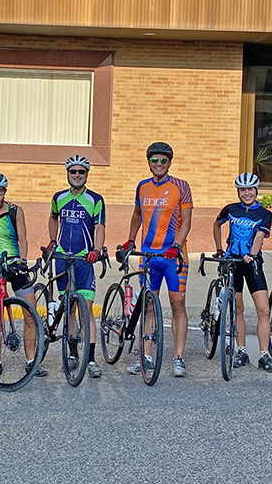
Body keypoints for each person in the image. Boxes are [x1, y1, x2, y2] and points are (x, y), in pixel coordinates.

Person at [122, 142, 192, 377]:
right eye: (154, 160)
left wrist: (175, 245)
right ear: (149, 162)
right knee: (148, 305)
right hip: (148, 255)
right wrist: (130, 240)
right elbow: (136, 215)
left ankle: (179, 357)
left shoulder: (181, 186)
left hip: (174, 256)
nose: (159, 164)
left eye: (163, 160)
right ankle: (146, 355)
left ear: (170, 163)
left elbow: (187, 220)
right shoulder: (142, 186)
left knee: (177, 305)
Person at [0, 172, 46, 378]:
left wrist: (23, 262)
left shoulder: (15, 211)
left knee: (30, 313)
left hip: (15, 264)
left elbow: (23, 239)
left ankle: (30, 360)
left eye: (0, 189)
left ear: (5, 191)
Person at [212, 172, 272, 373]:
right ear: (238, 192)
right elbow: (216, 224)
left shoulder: (265, 214)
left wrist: (252, 253)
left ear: (256, 191)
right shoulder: (231, 209)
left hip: (252, 264)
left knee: (263, 310)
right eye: (242, 190)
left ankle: (264, 355)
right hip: (233, 263)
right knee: (238, 309)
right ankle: (241, 351)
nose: (246, 193)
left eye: (250, 189)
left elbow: (259, 235)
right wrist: (219, 249)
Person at [48, 155, 106, 378]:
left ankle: (90, 360)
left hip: (84, 259)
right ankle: (73, 354)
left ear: (86, 175)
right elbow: (53, 218)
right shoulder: (59, 197)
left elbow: (99, 227)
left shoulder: (95, 199)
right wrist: (53, 241)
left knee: (87, 309)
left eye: (81, 172)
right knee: (69, 308)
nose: (77, 175)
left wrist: (97, 250)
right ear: (68, 174)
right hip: (62, 258)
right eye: (73, 172)